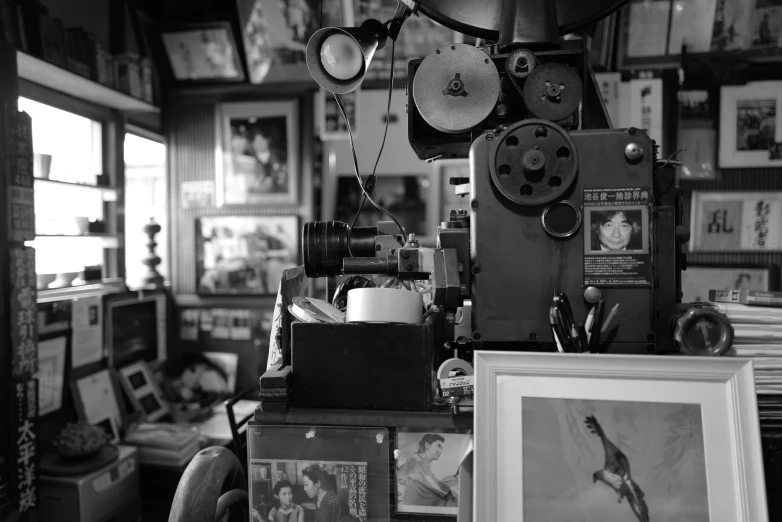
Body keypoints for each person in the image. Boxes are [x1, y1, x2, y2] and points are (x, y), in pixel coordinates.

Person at [398, 434, 458, 508]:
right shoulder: (416, 460)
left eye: (442, 448)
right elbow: (431, 482)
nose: (441, 451)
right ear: (427, 445)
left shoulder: (420, 462)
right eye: (438, 446)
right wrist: (449, 490)